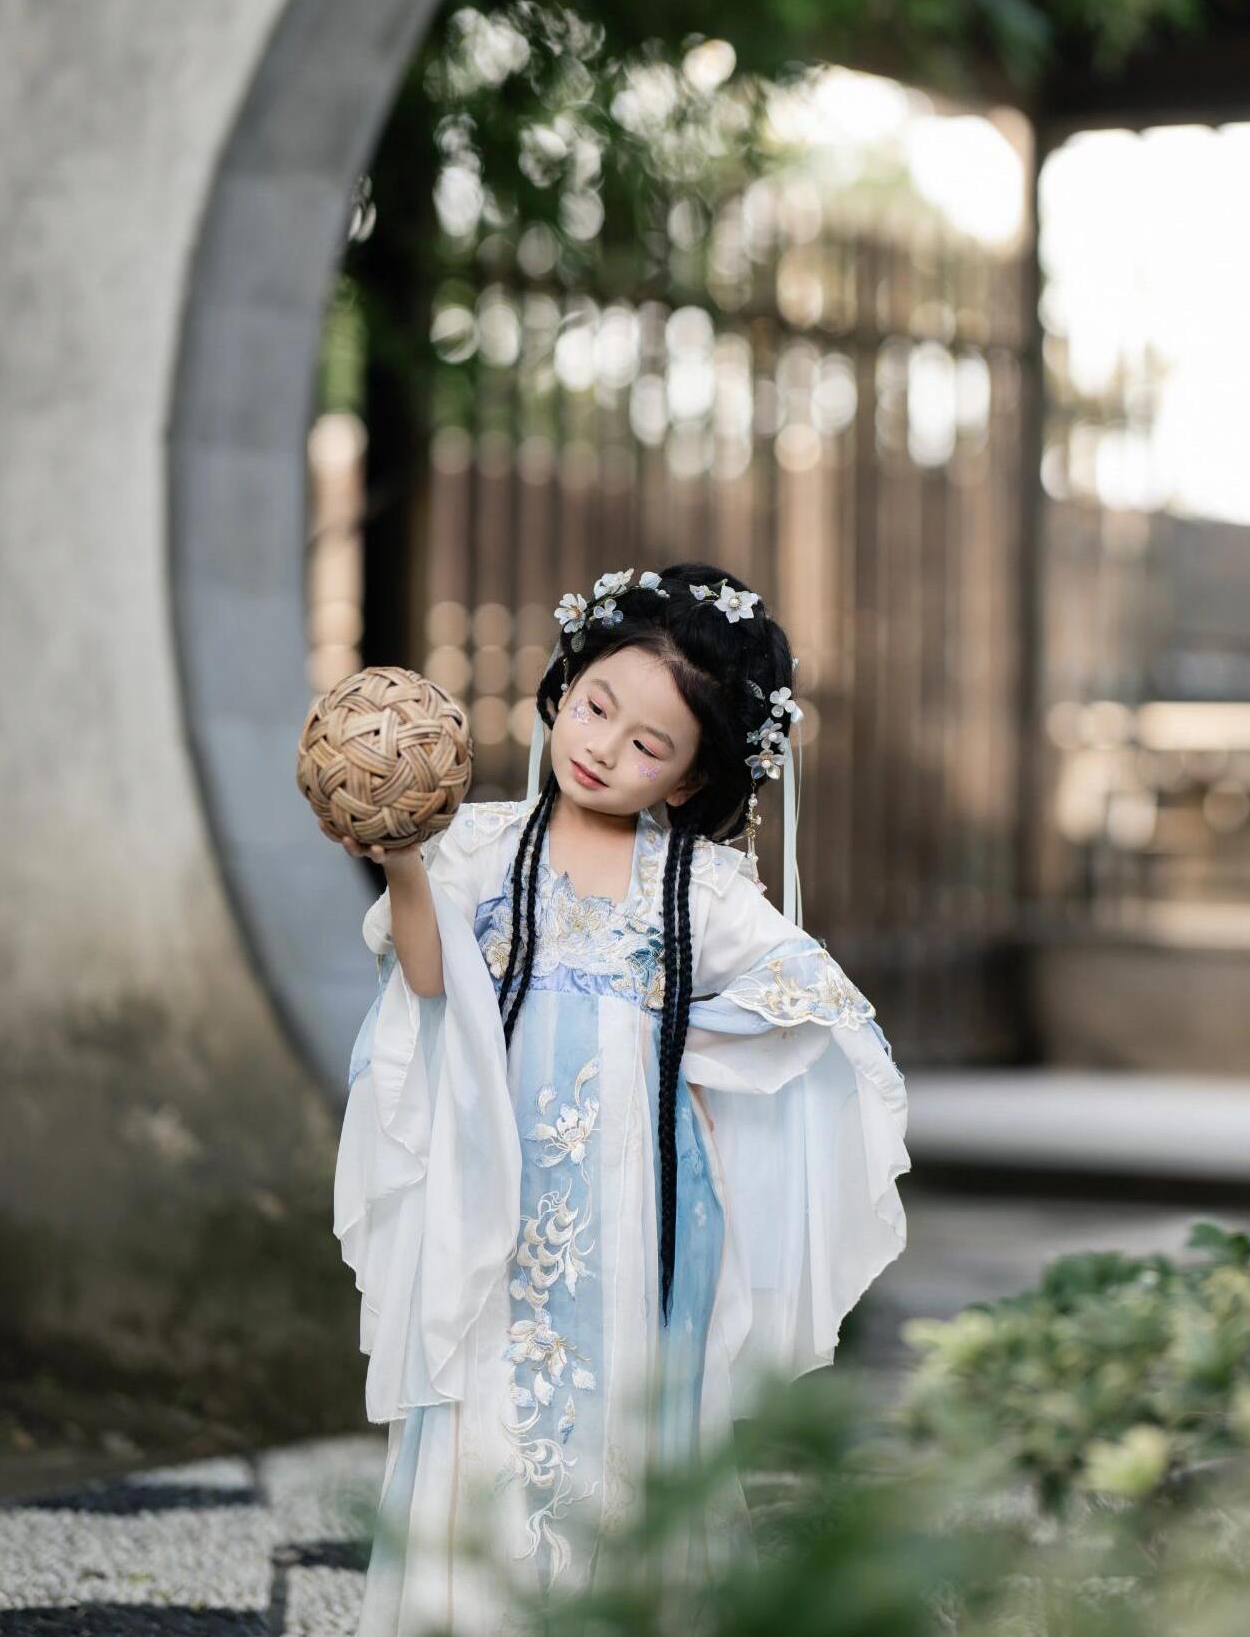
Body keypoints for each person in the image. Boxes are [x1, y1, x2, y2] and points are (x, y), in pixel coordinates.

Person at [327, 562, 911, 1635]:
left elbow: (820, 1002)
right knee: (486, 1397)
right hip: (496, 1191)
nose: (602, 747)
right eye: (596, 706)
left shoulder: (691, 887)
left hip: (640, 1200)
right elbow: (427, 978)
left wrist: (685, 1048)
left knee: (628, 1408)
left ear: (687, 780)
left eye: (649, 744)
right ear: (566, 681)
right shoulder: (484, 845)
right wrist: (407, 866)